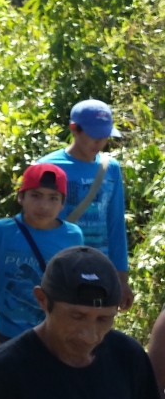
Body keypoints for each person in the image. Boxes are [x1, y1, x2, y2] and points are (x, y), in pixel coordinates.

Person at [0, 246, 165, 399]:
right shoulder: (3, 371)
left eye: (103, 319)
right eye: (77, 316)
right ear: (42, 300)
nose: (90, 335)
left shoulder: (129, 358)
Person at [0, 163, 82, 355]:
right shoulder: (1, 231)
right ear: (21, 197)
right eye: (35, 195)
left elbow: (74, 290)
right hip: (7, 335)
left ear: (63, 203)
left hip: (51, 336)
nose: (44, 206)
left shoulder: (73, 236)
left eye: (53, 198)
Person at [36, 99, 133, 310]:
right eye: (94, 135)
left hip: (99, 267)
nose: (99, 142)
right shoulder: (47, 166)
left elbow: (116, 224)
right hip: (57, 267)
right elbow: (33, 222)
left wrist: (122, 278)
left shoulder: (111, 168)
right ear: (74, 129)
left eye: (104, 135)